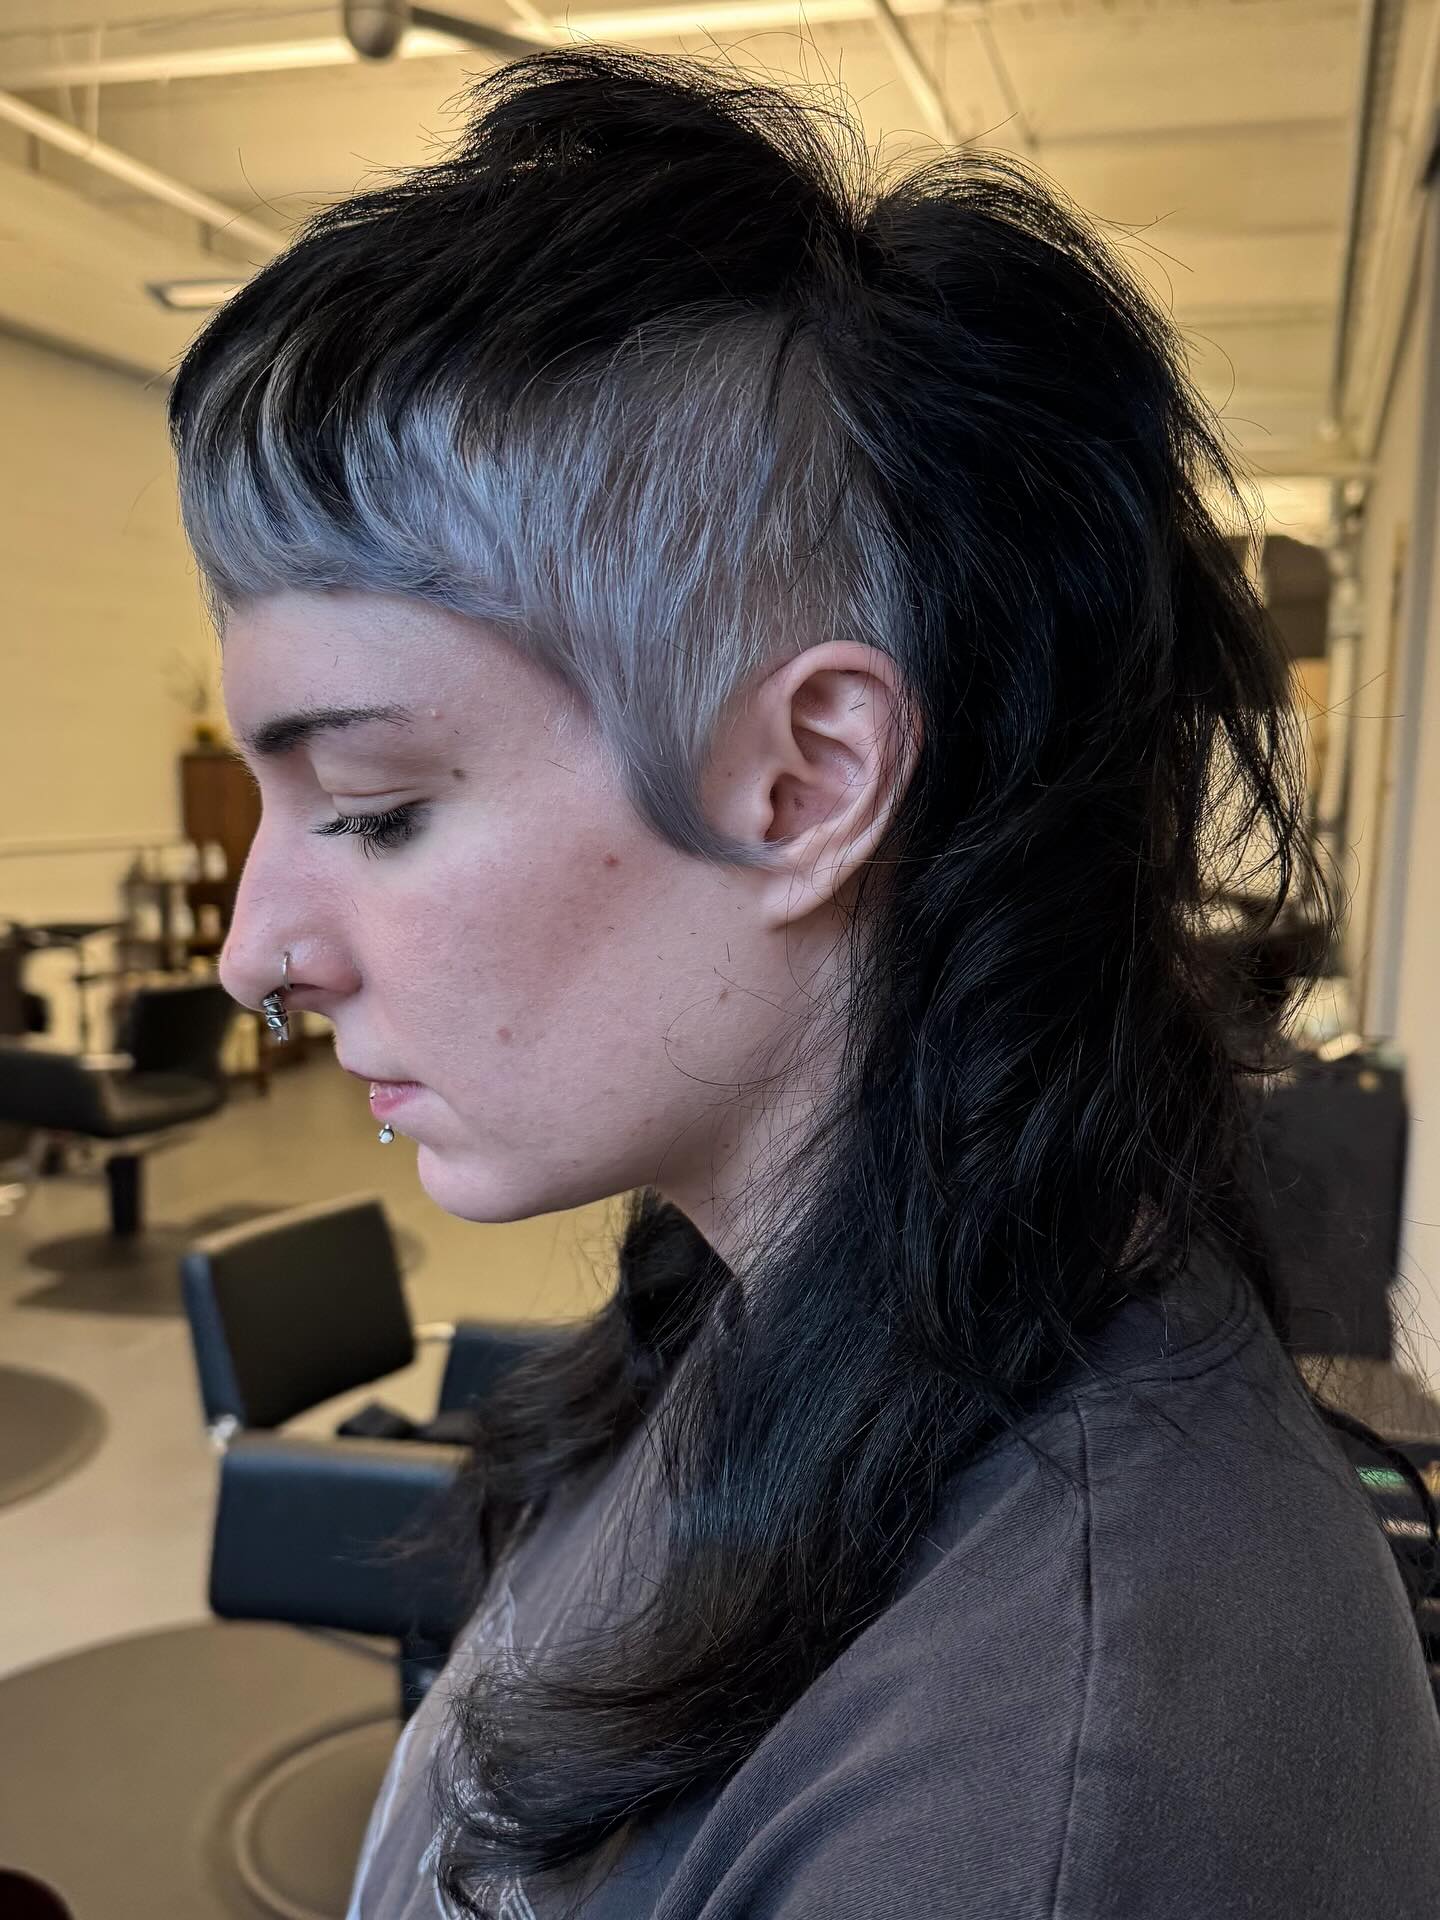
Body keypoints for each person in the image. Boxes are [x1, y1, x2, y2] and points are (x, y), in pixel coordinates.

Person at [167, 45, 1440, 1919]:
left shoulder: (1047, 1801)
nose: (253, 952)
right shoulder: (781, 1295)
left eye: (374, 805)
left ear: (812, 778)